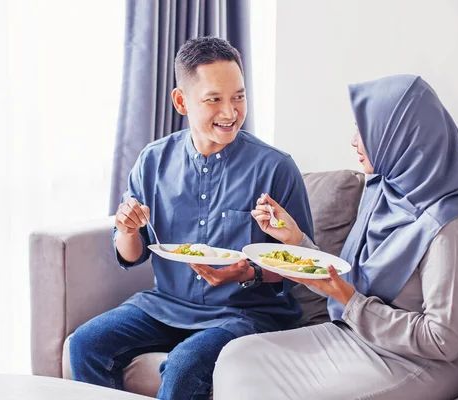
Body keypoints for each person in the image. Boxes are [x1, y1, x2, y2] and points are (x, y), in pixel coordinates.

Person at [69, 36, 314, 400]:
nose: (230, 112)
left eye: (238, 97)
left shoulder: (275, 168)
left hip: (245, 313)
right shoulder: (153, 161)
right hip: (166, 304)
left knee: (185, 364)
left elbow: (303, 263)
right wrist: (127, 228)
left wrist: (248, 272)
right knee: (85, 343)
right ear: (181, 101)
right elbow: (132, 254)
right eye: (214, 99)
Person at [213, 74, 458, 400]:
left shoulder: (448, 224)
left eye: (364, 131)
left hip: (424, 362)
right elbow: (342, 279)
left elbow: (443, 339)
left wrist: (351, 302)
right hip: (360, 333)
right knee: (236, 357)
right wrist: (296, 240)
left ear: (400, 137)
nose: (354, 140)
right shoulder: (382, 192)